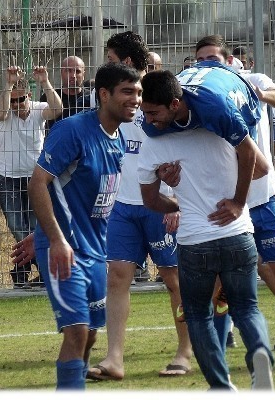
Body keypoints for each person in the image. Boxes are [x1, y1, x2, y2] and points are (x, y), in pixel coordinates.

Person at [138, 70, 274, 391]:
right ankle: (260, 354)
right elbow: (262, 167)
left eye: (153, 113)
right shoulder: (223, 132)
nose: (148, 121)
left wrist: (177, 202)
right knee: (247, 307)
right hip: (238, 235)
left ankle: (221, 386)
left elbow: (150, 201)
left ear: (175, 105)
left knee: (197, 314)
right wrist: (238, 202)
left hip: (195, 241)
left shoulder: (158, 142)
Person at [10, 62, 143, 390]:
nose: (136, 99)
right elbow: (38, 183)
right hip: (64, 250)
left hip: (95, 251)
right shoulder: (72, 130)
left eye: (138, 92)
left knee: (91, 333)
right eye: (127, 92)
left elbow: (80, 196)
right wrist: (53, 239)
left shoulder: (118, 139)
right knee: (77, 330)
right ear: (104, 94)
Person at [84, 32, 192, 382]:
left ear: (127, 62)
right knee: (117, 277)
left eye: (110, 58)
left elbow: (182, 153)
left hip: (160, 206)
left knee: (175, 279)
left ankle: (185, 351)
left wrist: (176, 203)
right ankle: (114, 358)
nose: (105, 64)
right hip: (122, 205)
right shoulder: (113, 99)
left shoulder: (159, 97)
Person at [0, 65, 62, 287]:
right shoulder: (6, 111)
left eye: (20, 100)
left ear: (29, 96)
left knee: (36, 226)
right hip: (8, 178)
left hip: (34, 179)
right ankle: (29, 268)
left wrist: (45, 82)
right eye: (13, 100)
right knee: (17, 227)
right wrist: (8, 84)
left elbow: (57, 108)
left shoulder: (38, 109)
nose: (16, 105)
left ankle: (29, 270)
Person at [40, 55, 90, 129]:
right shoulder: (49, 97)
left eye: (77, 71)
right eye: (68, 71)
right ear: (61, 73)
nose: (73, 75)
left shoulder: (90, 98)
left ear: (83, 74)